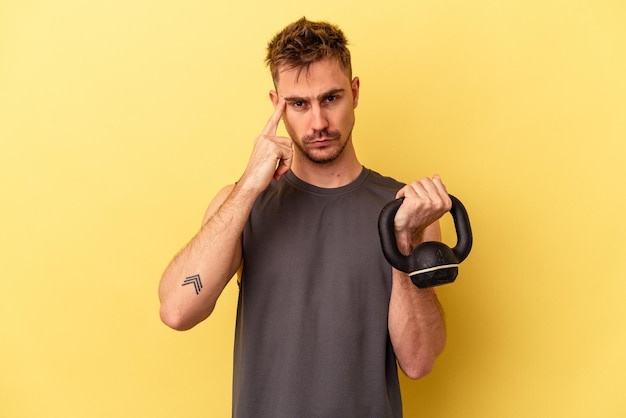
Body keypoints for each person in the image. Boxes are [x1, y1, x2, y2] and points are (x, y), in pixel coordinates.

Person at [159, 17, 450, 418]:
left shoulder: (404, 210)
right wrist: (247, 188)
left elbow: (419, 362)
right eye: (298, 104)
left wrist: (404, 243)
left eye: (331, 98)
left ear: (355, 92)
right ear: (276, 105)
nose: (318, 123)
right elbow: (177, 310)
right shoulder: (243, 205)